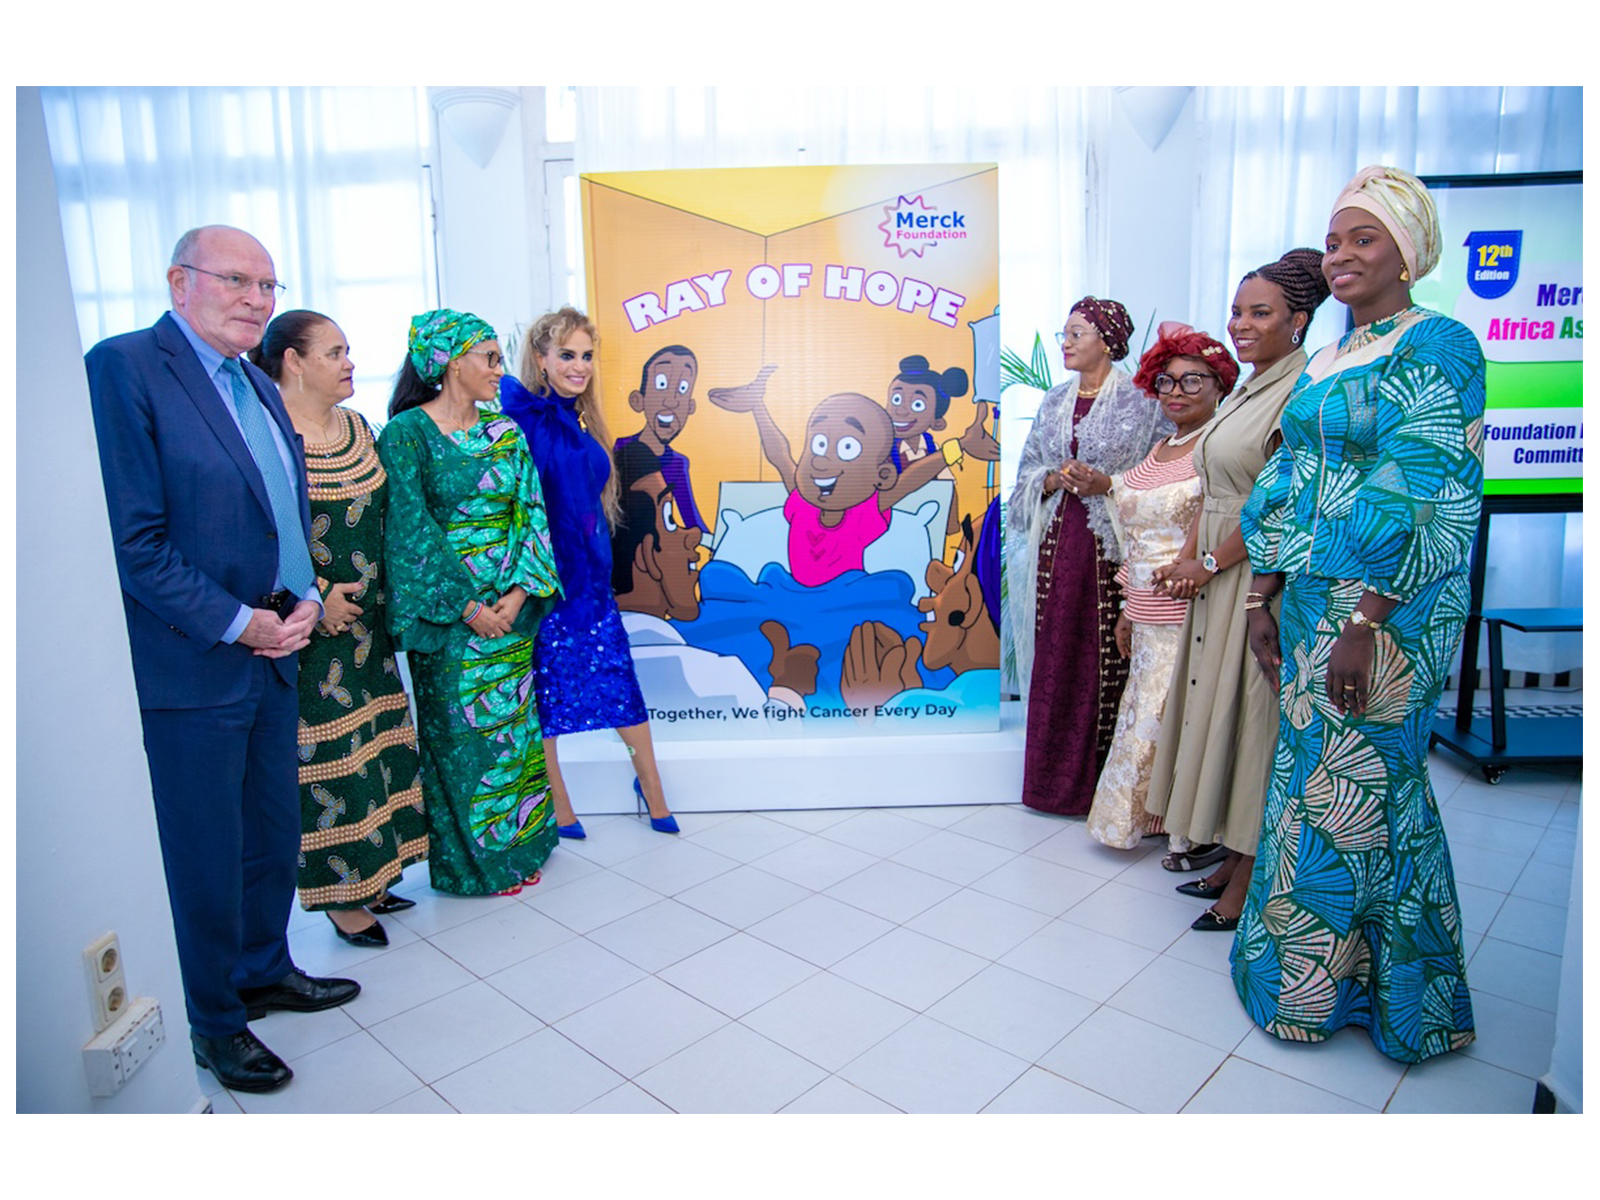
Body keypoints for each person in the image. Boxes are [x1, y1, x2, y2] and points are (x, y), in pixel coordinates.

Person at [85, 225, 359, 1094]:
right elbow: (136, 542)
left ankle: (262, 966)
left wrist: (306, 593)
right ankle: (214, 1020)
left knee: (271, 834)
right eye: (236, 280)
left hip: (281, 649)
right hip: (195, 661)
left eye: (268, 286)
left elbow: (284, 511)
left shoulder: (256, 383)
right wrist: (239, 621)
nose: (256, 299)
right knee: (205, 848)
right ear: (179, 280)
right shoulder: (125, 369)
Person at [1234, 166, 1484, 1062]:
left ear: (1408, 251)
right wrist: (1264, 593)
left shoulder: (1440, 346)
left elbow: (1425, 486)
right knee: (1310, 790)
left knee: (1370, 792)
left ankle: (1408, 1002)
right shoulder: (1333, 357)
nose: (1341, 255)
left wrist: (1367, 619)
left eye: (1363, 239)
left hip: (1390, 609)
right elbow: (1288, 477)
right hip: (1307, 600)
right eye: (1334, 240)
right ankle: (1307, 986)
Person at [1143, 250, 1332, 927]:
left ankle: (1252, 873)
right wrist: (1191, 555)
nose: (1241, 324)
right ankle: (1232, 854)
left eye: (1260, 313)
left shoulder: (1303, 388)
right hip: (1219, 570)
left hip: (1257, 575)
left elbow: (1278, 501)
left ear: (1299, 321)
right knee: (1215, 715)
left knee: (1251, 723)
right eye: (1237, 311)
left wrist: (1214, 562)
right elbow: (1217, 485)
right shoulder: (1252, 385)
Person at [249, 310, 427, 947]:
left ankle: (378, 873)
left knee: (379, 742)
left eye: (349, 350)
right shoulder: (267, 436)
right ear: (293, 362)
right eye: (334, 352)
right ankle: (341, 896)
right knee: (329, 758)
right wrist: (318, 597)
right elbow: (259, 532)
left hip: (372, 626)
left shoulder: (358, 427)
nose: (349, 362)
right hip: (313, 632)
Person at [377, 310, 563, 895]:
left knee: (516, 737)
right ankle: (474, 867)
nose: (498, 369)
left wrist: (515, 596)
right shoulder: (406, 434)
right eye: (489, 357)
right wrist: (468, 607)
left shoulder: (505, 432)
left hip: (509, 615)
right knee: (464, 743)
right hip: (451, 623)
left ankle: (523, 846)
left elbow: (529, 513)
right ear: (452, 362)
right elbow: (410, 530)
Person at [501, 307, 680, 837]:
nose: (579, 366)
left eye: (585, 356)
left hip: (592, 583)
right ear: (541, 358)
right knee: (546, 693)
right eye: (566, 355)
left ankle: (653, 792)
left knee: (620, 685)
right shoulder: (519, 416)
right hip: (545, 583)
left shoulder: (585, 421)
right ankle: (557, 804)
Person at [1070, 324, 1234, 849]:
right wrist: (1125, 609)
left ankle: (1186, 828)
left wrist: (1199, 562)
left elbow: (1223, 516)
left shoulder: (1218, 447)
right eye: (1166, 382)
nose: (1176, 393)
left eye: (1192, 382)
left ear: (1220, 385)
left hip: (1189, 603)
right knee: (1146, 710)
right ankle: (1155, 818)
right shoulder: (1165, 445)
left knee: (1169, 714)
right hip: (1144, 604)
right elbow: (1134, 506)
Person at [1005, 297, 1171, 816]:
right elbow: (1028, 473)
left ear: (1108, 338)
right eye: (1064, 333)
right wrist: (1053, 480)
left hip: (1113, 550)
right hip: (1057, 546)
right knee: (1059, 654)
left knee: (1106, 657)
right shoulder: (1055, 400)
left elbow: (1167, 475)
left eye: (1077, 332)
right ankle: (1050, 786)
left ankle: (1104, 789)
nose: (1066, 342)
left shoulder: (1144, 403)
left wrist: (1108, 485)